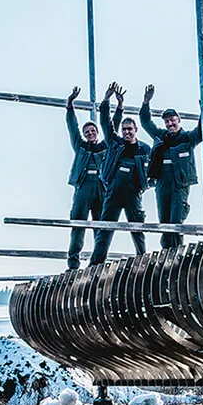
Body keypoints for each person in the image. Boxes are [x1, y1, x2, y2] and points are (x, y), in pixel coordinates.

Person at [139, 85, 203, 250]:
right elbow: (146, 122)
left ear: (178, 119)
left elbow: (201, 131)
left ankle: (177, 254)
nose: (170, 123)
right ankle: (166, 254)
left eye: (172, 120)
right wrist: (146, 102)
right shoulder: (161, 136)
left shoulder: (187, 138)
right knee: (164, 222)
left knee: (176, 221)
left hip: (179, 184)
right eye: (167, 121)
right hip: (162, 184)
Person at [63, 86, 116, 269]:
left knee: (100, 226)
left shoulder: (104, 147)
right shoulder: (80, 146)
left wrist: (111, 102)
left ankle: (98, 263)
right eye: (87, 132)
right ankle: (73, 262)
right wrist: (70, 105)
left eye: (92, 131)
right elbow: (72, 128)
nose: (90, 133)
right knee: (78, 223)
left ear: (97, 133)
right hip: (83, 187)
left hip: (101, 188)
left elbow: (112, 127)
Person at [100, 84, 151, 255]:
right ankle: (96, 263)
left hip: (133, 193)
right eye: (124, 130)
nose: (127, 132)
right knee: (105, 229)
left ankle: (142, 260)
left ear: (136, 130)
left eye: (130, 129)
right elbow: (105, 123)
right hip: (113, 192)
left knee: (137, 230)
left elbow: (154, 170)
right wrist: (107, 100)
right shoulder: (115, 143)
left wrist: (146, 185)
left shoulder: (145, 149)